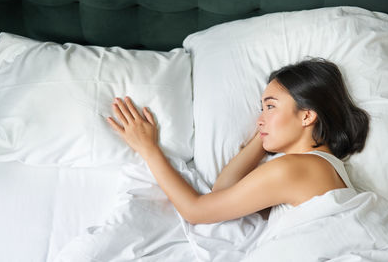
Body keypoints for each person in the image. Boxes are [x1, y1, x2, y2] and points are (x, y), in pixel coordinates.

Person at [106, 58, 369, 225]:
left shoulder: (293, 169)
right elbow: (224, 191)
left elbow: (197, 212)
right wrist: (263, 136)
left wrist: (148, 149)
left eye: (270, 106)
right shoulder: (322, 166)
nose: (259, 118)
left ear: (307, 115)